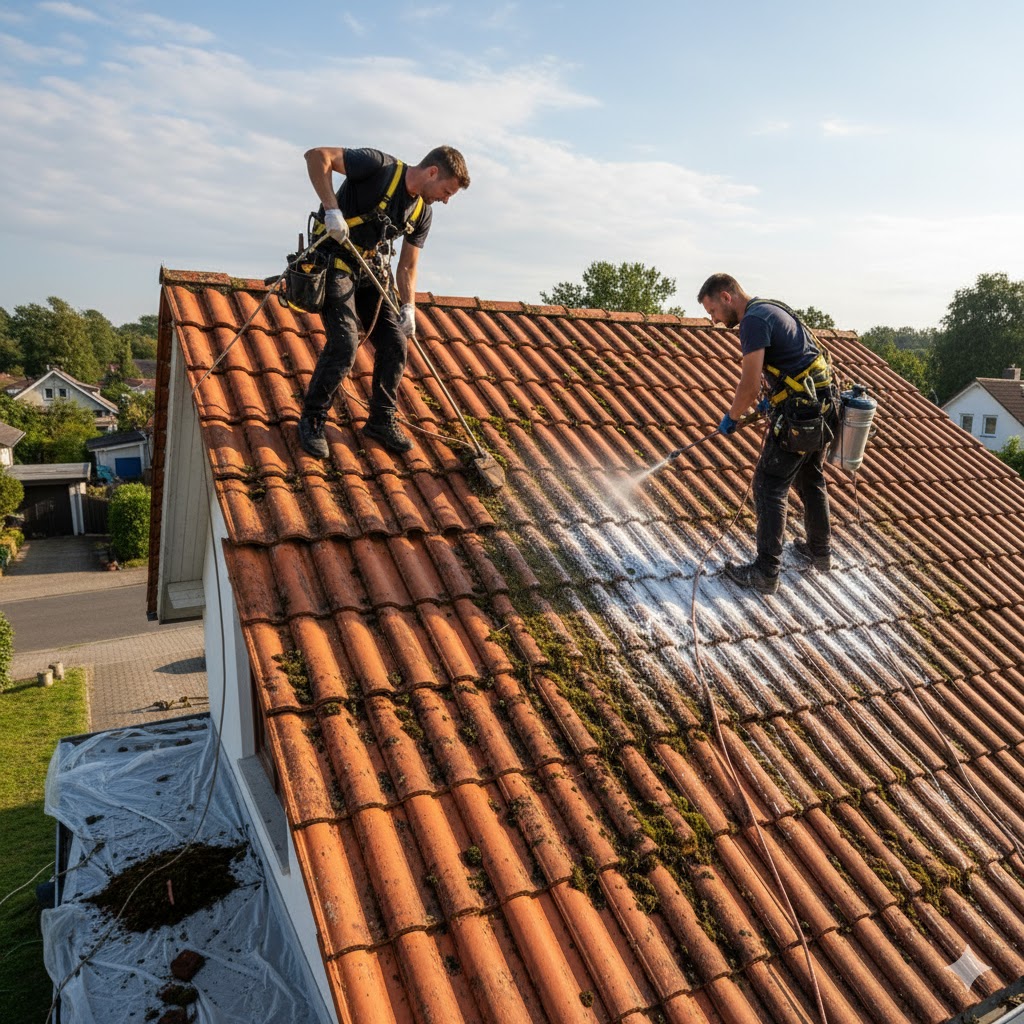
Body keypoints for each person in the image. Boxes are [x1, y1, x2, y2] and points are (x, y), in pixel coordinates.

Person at [297, 145, 470, 458]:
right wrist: (332, 209)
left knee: (394, 341)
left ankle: (381, 419)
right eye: (446, 191)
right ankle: (313, 418)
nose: (445, 200)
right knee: (346, 342)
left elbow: (407, 266)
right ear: (432, 172)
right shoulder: (378, 166)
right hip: (333, 260)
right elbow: (316, 156)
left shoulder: (422, 212)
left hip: (369, 270)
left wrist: (408, 307)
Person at [697, 273, 838, 594]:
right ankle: (820, 553)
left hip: (801, 412)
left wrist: (732, 417)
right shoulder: (772, 307)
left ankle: (765, 572)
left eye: (713, 312)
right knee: (809, 477)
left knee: (769, 484)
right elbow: (794, 361)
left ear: (726, 296)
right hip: (824, 405)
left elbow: (746, 385)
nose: (714, 321)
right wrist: (772, 399)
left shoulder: (753, 322)